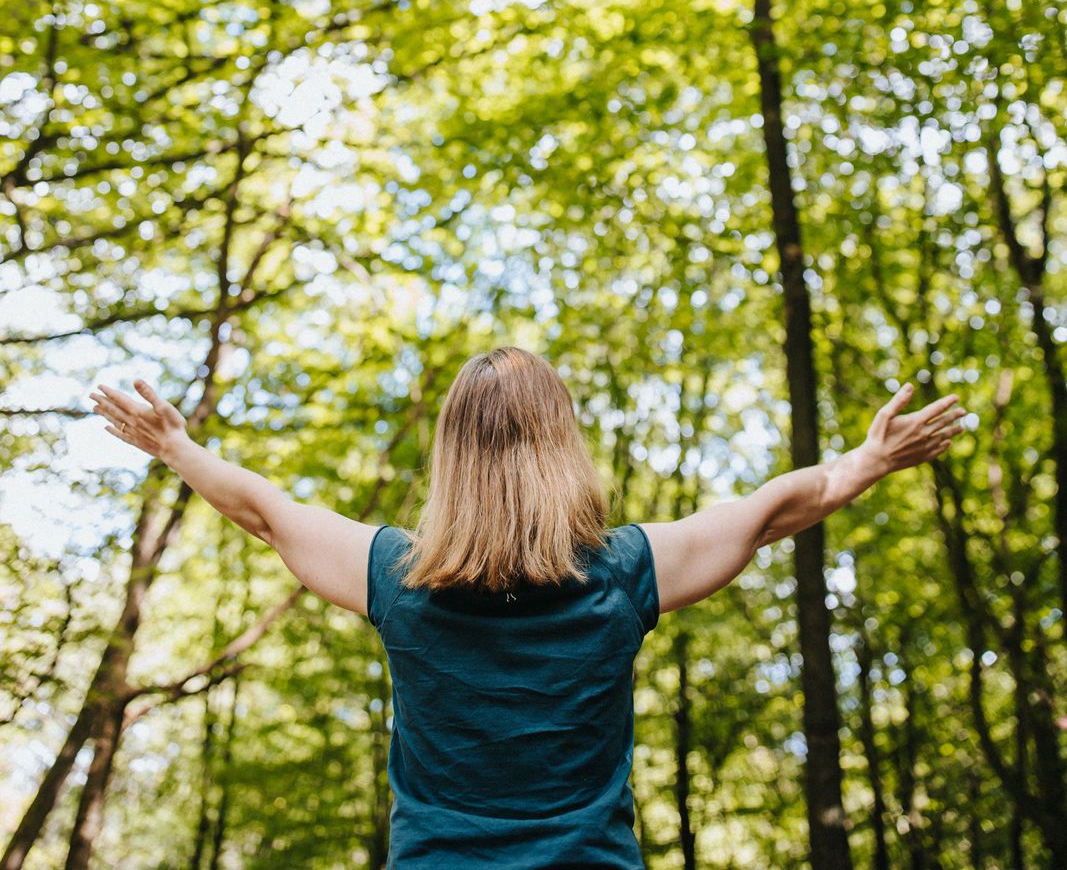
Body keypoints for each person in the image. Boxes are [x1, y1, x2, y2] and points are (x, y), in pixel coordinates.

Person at [90, 348, 965, 868]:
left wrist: (177, 446)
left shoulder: (394, 575)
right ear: (562, 445)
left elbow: (267, 513)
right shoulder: (625, 572)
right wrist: (866, 463)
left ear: (450, 455)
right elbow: (773, 511)